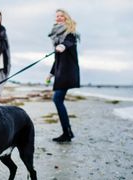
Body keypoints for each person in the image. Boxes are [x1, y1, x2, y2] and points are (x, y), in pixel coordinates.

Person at [46, 9, 80, 142]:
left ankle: (67, 132)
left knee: (57, 99)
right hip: (60, 72)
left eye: (61, 16)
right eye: (57, 16)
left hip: (67, 72)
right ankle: (67, 132)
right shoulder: (56, 35)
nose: (59, 18)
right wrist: (50, 73)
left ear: (66, 18)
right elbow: (57, 59)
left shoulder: (70, 33)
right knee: (58, 100)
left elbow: (69, 42)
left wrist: (63, 46)